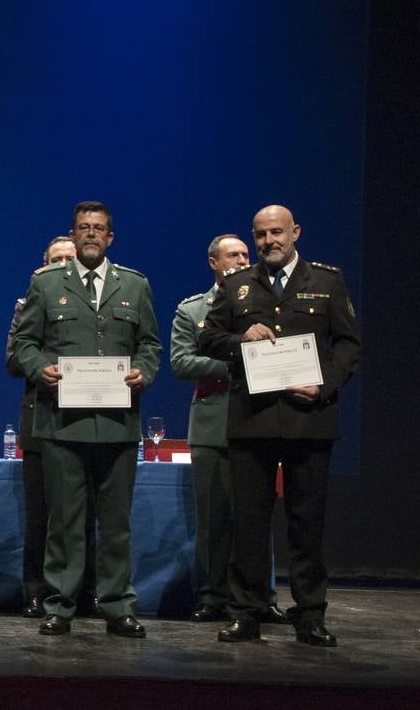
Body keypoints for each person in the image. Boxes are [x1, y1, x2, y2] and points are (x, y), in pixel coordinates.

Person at [199, 205, 361, 647]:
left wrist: (324, 385)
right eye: (261, 235)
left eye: (277, 233)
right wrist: (239, 339)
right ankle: (245, 613)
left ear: (295, 233)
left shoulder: (326, 281)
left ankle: (310, 614)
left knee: (307, 523)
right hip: (252, 420)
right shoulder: (236, 284)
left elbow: (349, 344)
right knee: (248, 524)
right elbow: (208, 338)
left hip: (309, 419)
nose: (269, 241)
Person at [12, 201, 161, 638]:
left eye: (98, 228)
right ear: (73, 235)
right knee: (64, 521)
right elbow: (26, 343)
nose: (91, 234)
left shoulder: (134, 285)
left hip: (117, 423)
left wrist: (144, 372)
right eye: (83, 228)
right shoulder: (45, 283)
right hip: (62, 422)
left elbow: (150, 344)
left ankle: (117, 605)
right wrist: (41, 368)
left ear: (110, 237)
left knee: (115, 523)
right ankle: (60, 605)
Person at [172, 234, 288, 625]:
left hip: (258, 419)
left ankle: (261, 596)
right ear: (213, 263)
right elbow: (182, 362)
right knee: (214, 520)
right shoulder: (192, 310)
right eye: (231, 255)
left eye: (244, 253)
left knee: (256, 518)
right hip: (212, 422)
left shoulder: (264, 300)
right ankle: (211, 595)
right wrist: (241, 361)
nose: (240, 259)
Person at [6, 235, 98, 619]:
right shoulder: (27, 305)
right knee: (40, 515)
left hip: (86, 420)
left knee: (84, 513)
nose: (62, 265)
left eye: (69, 259)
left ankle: (87, 592)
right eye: (55, 260)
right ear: (41, 267)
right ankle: (35, 592)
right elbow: (13, 359)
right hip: (41, 418)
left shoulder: (97, 305)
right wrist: (41, 364)